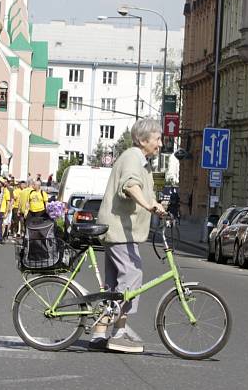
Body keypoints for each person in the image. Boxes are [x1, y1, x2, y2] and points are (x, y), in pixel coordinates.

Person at [90, 118, 166, 354]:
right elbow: (130, 186)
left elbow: (143, 192)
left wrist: (158, 206)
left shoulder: (143, 162)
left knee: (115, 286)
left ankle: (105, 332)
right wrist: (148, 206)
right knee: (132, 278)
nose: (161, 144)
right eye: (158, 139)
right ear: (144, 140)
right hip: (119, 231)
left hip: (122, 231)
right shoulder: (133, 157)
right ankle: (111, 328)